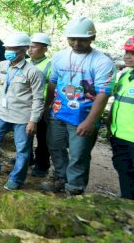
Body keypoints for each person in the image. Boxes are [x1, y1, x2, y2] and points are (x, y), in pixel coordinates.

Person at [41, 17, 116, 196]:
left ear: (92, 38)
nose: (76, 43)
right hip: (58, 113)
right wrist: (47, 107)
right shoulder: (59, 57)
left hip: (83, 117)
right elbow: (53, 83)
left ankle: (75, 188)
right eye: (72, 39)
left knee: (78, 155)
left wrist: (91, 121)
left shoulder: (102, 62)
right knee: (55, 147)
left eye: (81, 39)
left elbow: (103, 94)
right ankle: (60, 177)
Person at [0, 32, 44, 191]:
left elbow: (38, 98)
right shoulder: (1, 65)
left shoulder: (33, 72)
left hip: (22, 117)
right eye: (7, 47)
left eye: (13, 48)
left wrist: (33, 120)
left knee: (22, 150)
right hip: (2, 114)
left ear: (23, 50)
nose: (9, 50)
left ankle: (17, 178)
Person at [108, 36, 134, 199]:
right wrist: (109, 124)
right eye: (126, 52)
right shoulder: (125, 75)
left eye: (133, 53)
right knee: (124, 171)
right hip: (119, 136)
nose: (127, 56)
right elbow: (116, 103)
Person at [27, 33, 53, 177]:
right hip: (26, 105)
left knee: (43, 137)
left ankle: (42, 165)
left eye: (34, 47)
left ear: (44, 49)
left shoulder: (50, 65)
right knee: (25, 133)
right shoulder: (26, 62)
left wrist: (47, 106)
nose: (30, 50)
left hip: (42, 106)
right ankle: (28, 158)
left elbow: (52, 87)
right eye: (29, 46)